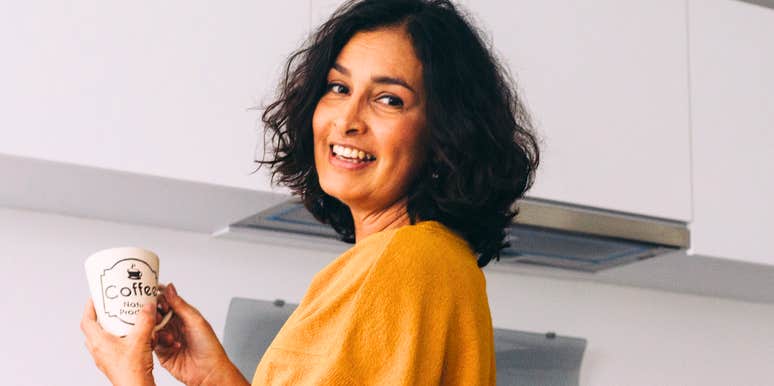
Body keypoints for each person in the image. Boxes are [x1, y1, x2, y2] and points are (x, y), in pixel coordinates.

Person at [80, 0, 540, 384]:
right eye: (338, 87)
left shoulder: (399, 264)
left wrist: (133, 379)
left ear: (445, 134)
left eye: (389, 99)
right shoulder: (440, 264)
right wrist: (213, 376)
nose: (347, 119)